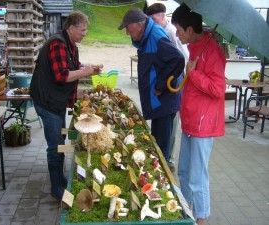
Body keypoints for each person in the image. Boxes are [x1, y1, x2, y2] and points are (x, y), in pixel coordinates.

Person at [30, 11, 101, 201]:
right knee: (56, 145)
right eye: (83, 30)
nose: (85, 33)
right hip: (48, 102)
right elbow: (62, 75)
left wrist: (89, 68)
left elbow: (74, 67)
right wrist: (83, 71)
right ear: (71, 28)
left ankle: (60, 177)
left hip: (58, 103)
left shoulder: (72, 46)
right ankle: (56, 188)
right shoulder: (58, 44)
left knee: (62, 142)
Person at [171, 4, 226, 225]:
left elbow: (218, 89)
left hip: (204, 125)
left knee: (197, 177)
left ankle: (200, 219)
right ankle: (187, 212)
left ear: (190, 29)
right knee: (183, 172)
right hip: (191, 121)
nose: (176, 34)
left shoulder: (212, 51)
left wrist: (194, 75)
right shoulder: (195, 48)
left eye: (178, 29)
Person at [118, 8, 185, 171]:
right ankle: (159, 171)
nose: (127, 33)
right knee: (158, 141)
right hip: (159, 102)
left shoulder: (155, 35)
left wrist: (161, 85)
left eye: (128, 28)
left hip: (164, 101)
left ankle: (161, 179)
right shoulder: (147, 35)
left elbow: (178, 59)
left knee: (161, 147)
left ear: (138, 25)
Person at [145, 3, 189, 172]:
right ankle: (166, 157)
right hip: (170, 83)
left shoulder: (170, 32)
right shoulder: (163, 30)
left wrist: (179, 85)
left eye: (155, 20)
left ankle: (168, 159)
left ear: (163, 17)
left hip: (175, 84)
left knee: (170, 125)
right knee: (167, 125)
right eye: (151, 21)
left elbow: (182, 59)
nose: (153, 24)